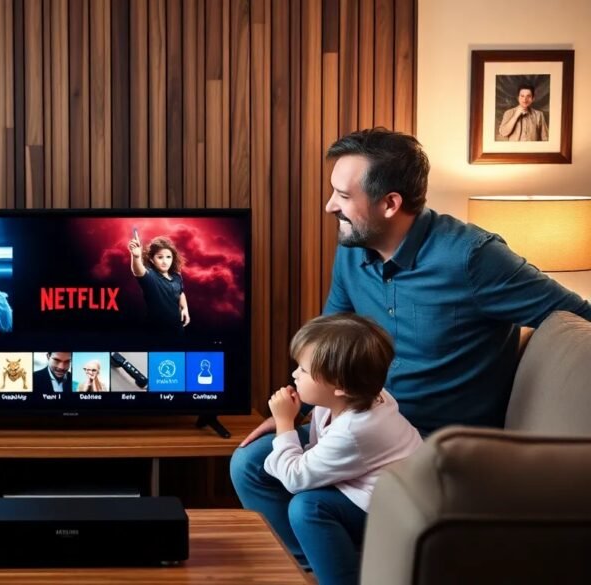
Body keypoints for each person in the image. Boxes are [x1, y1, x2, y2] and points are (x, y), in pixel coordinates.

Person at [231, 128, 591, 570]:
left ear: (390, 204)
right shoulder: (353, 248)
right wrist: (296, 411)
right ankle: (321, 570)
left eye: (342, 195)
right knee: (249, 464)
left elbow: (576, 315)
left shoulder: (474, 258)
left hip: (436, 446)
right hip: (361, 422)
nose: (329, 206)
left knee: (310, 504)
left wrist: (525, 347)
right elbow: (329, 347)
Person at [257, 313, 422, 585]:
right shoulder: (358, 394)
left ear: (340, 386)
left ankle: (339, 575)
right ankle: (305, 559)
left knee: (307, 508)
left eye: (303, 370)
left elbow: (295, 479)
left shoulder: (355, 430)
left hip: (394, 511)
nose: (294, 374)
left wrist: (284, 421)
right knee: (250, 460)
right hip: (369, 482)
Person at [127, 233, 190, 335]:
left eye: (168, 257)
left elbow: (180, 292)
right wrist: (136, 257)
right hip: (156, 333)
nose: (165, 261)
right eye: (160, 257)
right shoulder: (151, 276)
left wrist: (185, 309)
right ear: (152, 259)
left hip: (178, 330)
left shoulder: (176, 276)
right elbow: (138, 271)